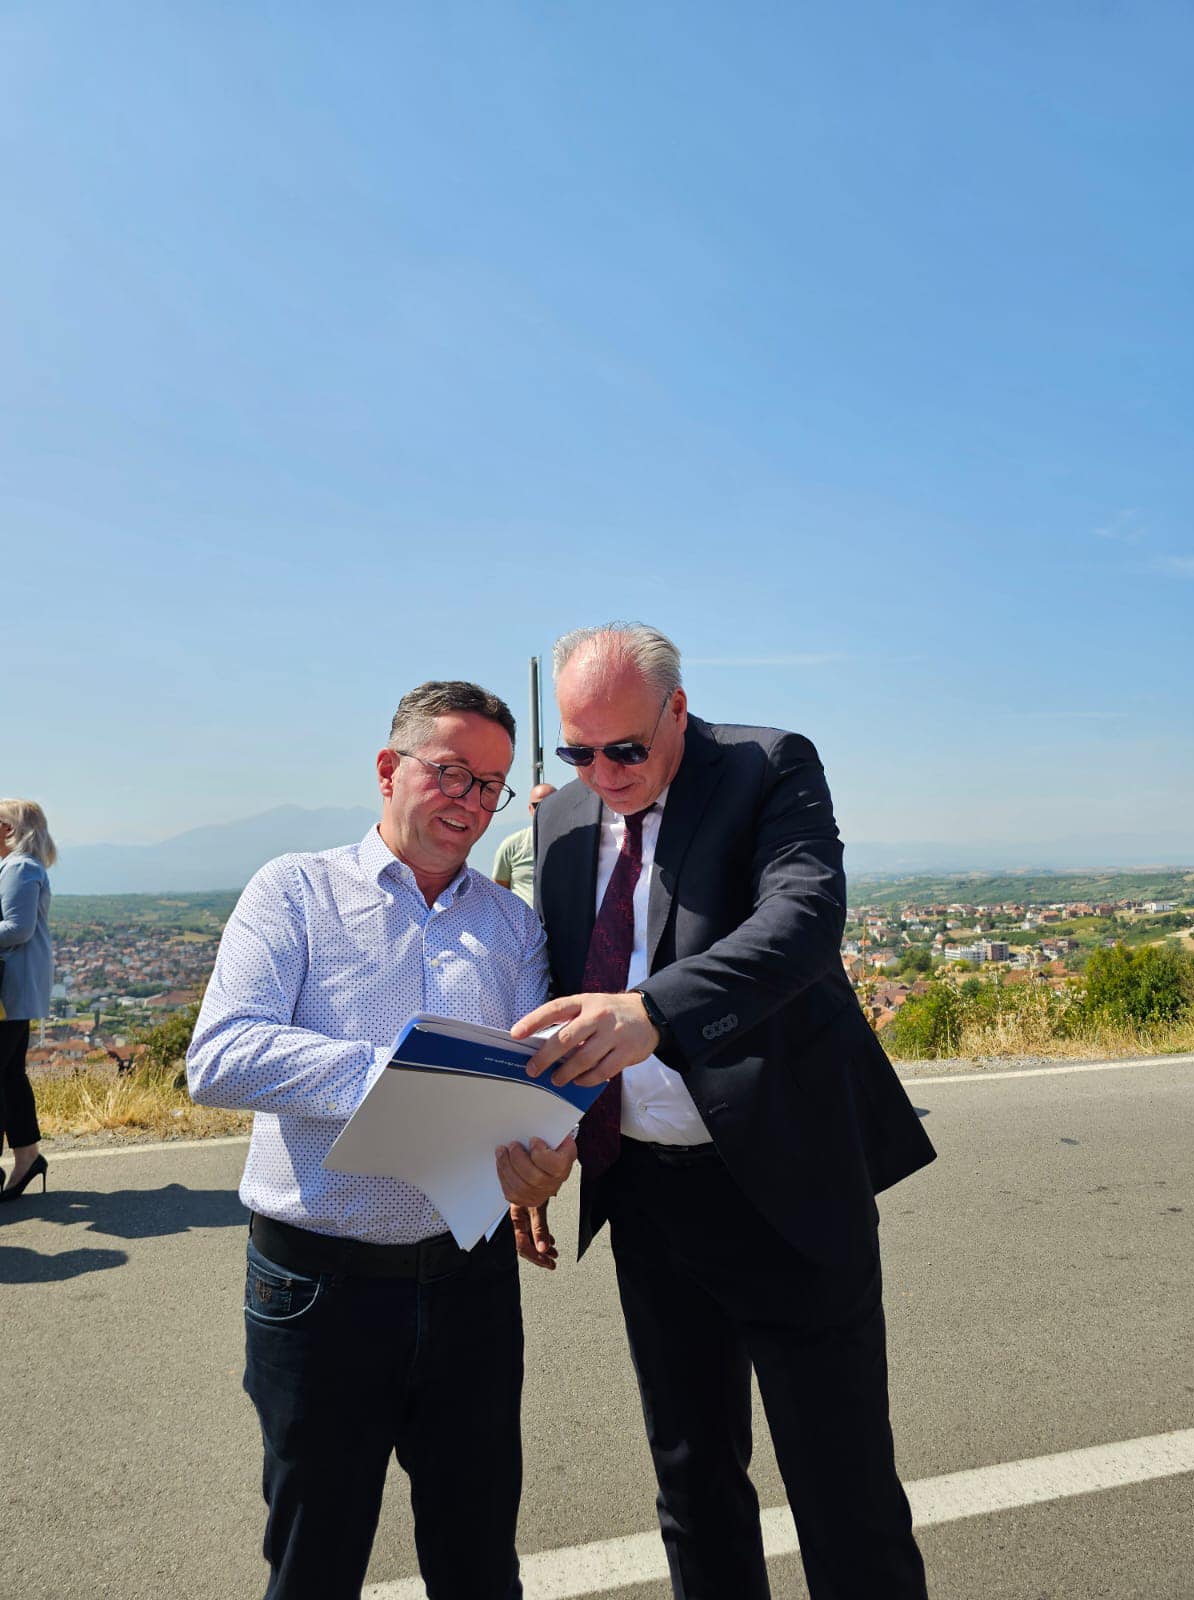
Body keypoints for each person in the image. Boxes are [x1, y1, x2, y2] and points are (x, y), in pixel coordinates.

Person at [511, 624, 936, 1600]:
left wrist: (653, 1011)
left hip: (783, 1185)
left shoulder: (766, 766)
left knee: (844, 1495)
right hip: (647, 1197)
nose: (603, 775)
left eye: (626, 749)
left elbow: (802, 922)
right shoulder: (561, 819)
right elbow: (556, 989)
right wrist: (538, 1138)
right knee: (692, 1486)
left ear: (678, 708)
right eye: (580, 752)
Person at [187, 681, 576, 1600]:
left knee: (480, 1563)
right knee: (314, 1565)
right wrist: (404, 1078)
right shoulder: (295, 890)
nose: (472, 801)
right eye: (451, 772)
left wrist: (548, 1159)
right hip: (318, 1289)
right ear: (387, 768)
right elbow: (221, 1056)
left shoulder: (513, 926)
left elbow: (536, 1090)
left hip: (471, 1282)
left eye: (491, 785)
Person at [0, 799, 56, 1203]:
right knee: (9, 1077)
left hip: (7, 991)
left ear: (8, 830)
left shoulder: (19, 867)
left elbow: (17, 929)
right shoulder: (20, 866)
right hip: (13, 991)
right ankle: (27, 1157)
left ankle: (25, 1158)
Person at [492, 782, 557, 906]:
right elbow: (498, 892)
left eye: (551, 804)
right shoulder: (511, 845)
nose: (545, 810)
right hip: (522, 917)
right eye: (539, 805)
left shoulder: (574, 844)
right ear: (530, 809)